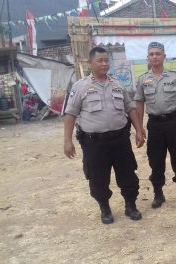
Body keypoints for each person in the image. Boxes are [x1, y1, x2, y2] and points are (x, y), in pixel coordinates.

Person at [64, 46, 142, 224]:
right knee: (98, 177)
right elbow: (70, 115)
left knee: (128, 174)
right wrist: (67, 141)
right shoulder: (81, 86)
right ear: (91, 62)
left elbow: (130, 108)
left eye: (107, 60)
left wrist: (138, 130)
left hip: (120, 140)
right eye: (100, 60)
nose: (104, 64)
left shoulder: (118, 84)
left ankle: (130, 205)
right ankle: (105, 208)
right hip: (94, 143)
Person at [135, 42, 176, 209]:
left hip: (174, 123)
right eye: (151, 54)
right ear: (148, 57)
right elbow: (139, 104)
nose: (154, 56)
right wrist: (139, 128)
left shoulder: (175, 76)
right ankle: (158, 194)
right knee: (156, 161)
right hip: (155, 125)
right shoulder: (142, 79)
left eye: (158, 53)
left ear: (164, 56)